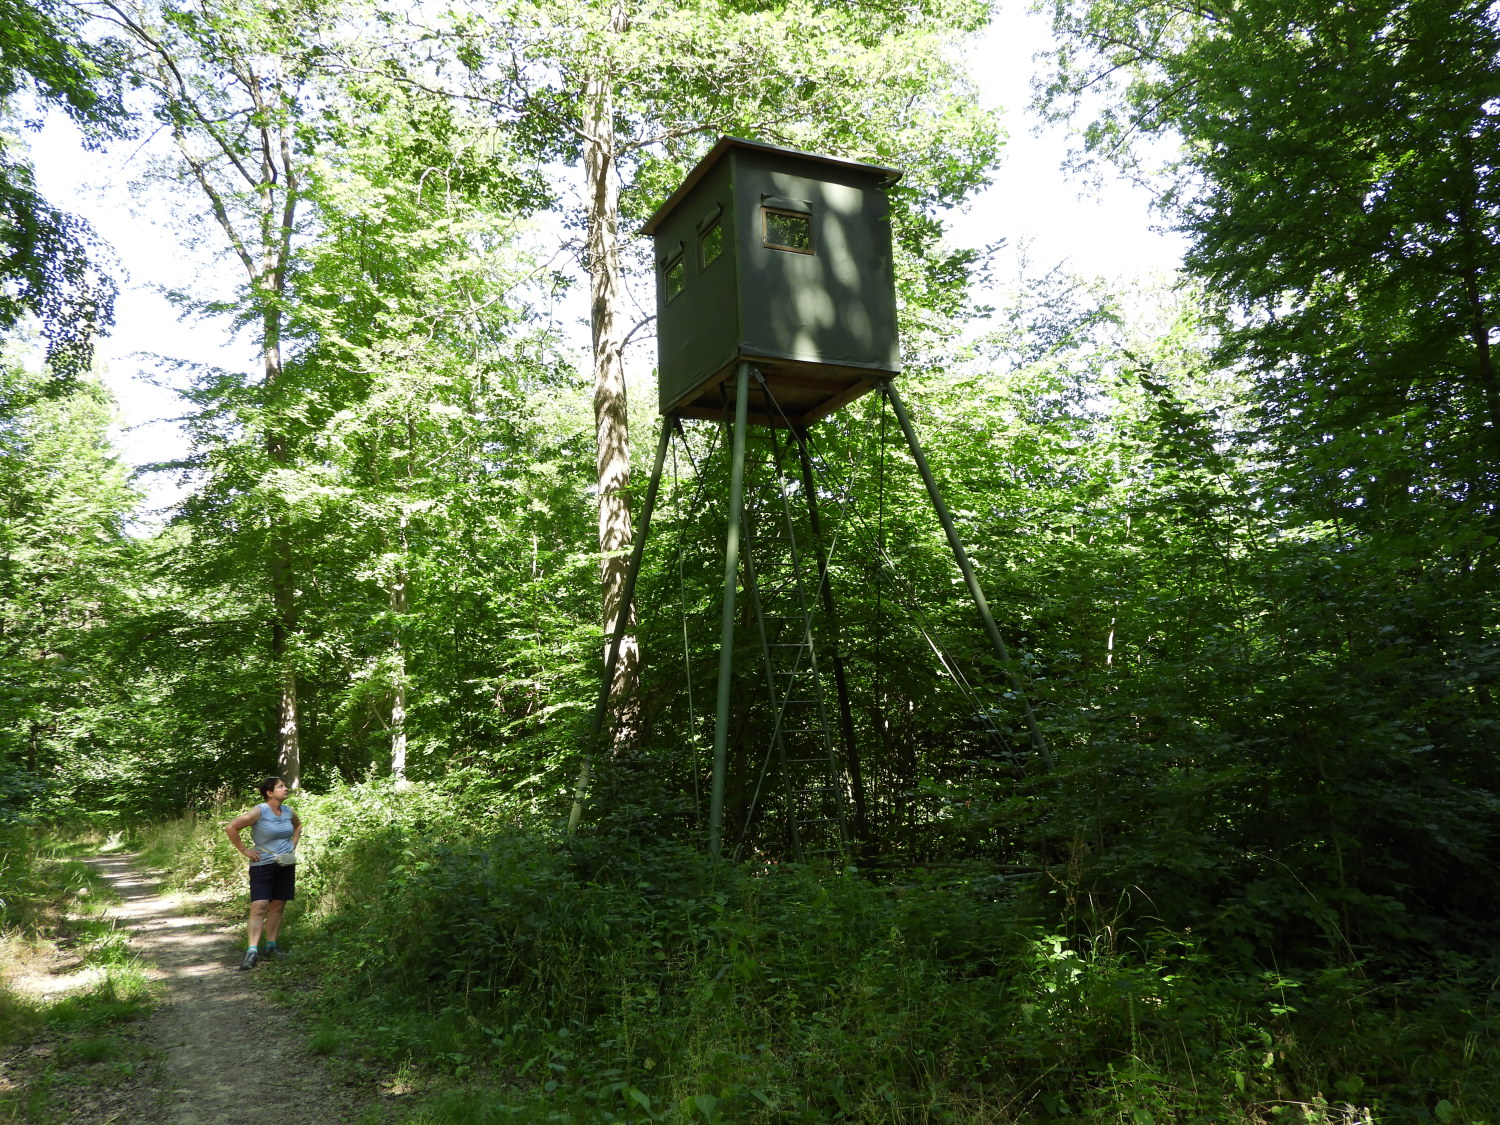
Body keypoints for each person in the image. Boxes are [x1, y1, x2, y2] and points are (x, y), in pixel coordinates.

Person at [224, 776, 302, 970]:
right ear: (269, 792)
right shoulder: (259, 811)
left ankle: (271, 946)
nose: (285, 789)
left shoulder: (287, 811)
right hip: (262, 864)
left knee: (278, 905)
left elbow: (298, 826)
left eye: (284, 785)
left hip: (285, 864)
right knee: (259, 906)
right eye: (281, 786)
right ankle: (252, 951)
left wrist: (292, 846)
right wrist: (245, 850)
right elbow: (231, 827)